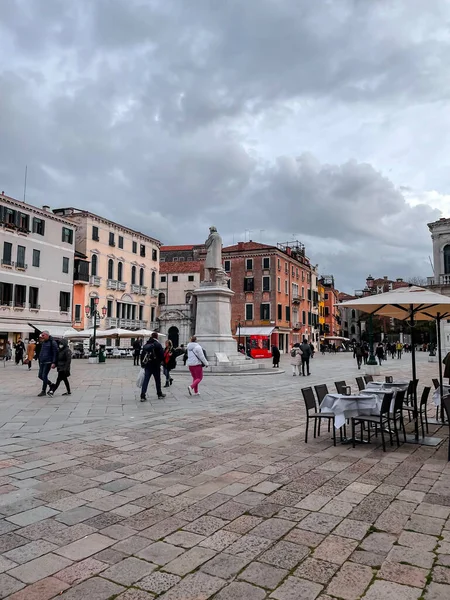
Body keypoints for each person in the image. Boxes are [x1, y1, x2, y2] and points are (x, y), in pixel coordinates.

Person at [140, 333, 165, 402]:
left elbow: (142, 355)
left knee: (146, 380)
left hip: (147, 364)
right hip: (155, 365)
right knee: (157, 380)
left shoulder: (146, 344)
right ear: (157, 337)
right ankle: (159, 394)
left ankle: (142, 395)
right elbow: (162, 355)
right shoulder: (158, 344)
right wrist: (160, 362)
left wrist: (142, 363)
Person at [37, 331, 57, 396]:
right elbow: (42, 351)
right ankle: (51, 384)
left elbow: (55, 353)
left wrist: (54, 362)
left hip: (48, 361)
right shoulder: (43, 342)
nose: (42, 337)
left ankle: (43, 390)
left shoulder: (52, 342)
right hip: (42, 361)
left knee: (44, 375)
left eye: (43, 335)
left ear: (47, 335)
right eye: (41, 335)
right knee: (40, 375)